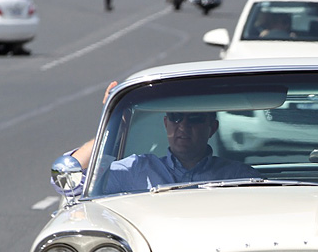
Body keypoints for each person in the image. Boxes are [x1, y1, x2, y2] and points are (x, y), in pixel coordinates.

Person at [60, 82, 258, 197]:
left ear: (212, 128)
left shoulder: (239, 176)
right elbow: (70, 184)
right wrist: (112, 129)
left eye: (195, 118)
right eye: (176, 117)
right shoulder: (136, 170)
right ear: (166, 124)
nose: (183, 126)